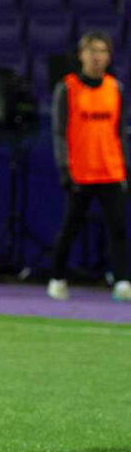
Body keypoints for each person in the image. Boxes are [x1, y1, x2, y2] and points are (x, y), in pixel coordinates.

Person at [48, 31, 130, 302]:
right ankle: (57, 278)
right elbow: (59, 132)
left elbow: (120, 133)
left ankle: (122, 281)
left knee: (118, 227)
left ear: (109, 57)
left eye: (103, 51)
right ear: (81, 55)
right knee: (70, 227)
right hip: (80, 173)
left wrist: (126, 166)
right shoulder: (68, 88)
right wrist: (64, 168)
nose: (97, 57)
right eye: (92, 51)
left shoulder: (116, 88)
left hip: (111, 170)